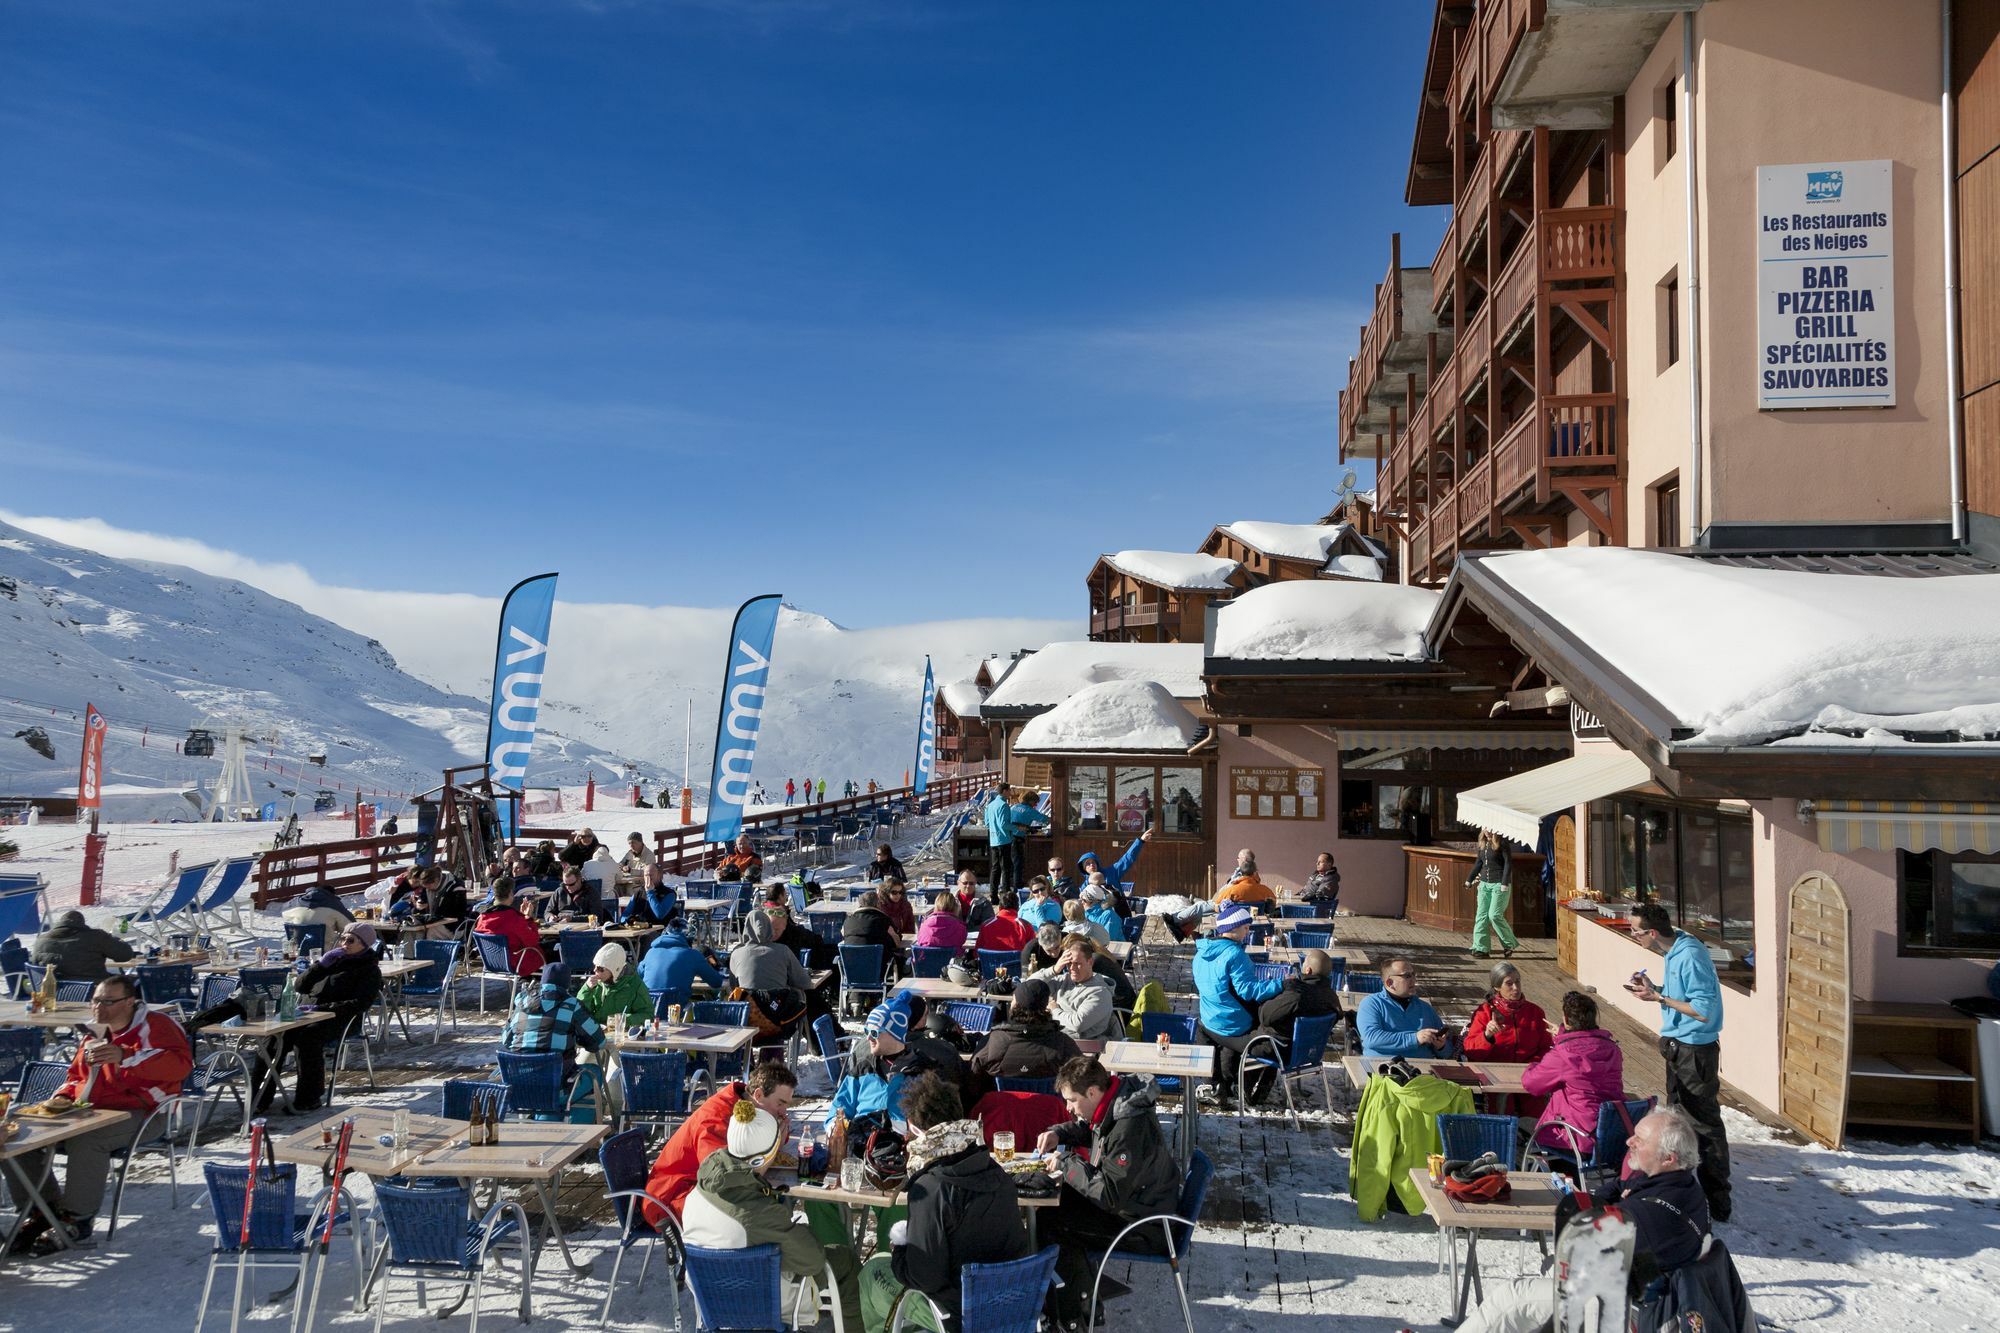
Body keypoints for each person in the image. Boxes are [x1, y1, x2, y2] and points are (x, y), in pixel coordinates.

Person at [1456, 1106, 1714, 1333]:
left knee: (1512, 1298)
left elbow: (1576, 1250)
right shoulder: (1685, 1188)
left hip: (1627, 1311)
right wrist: (1616, 1201)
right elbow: (1616, 1187)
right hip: (1643, 1294)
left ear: (1668, 1158)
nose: (1629, 1142)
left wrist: (1612, 1206)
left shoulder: (1648, 1214)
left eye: (1641, 1140)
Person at [6, 974, 192, 1254]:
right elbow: (75, 1076)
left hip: (146, 1112)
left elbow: (180, 1066)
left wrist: (125, 1056)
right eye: (95, 1001)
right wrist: (62, 1097)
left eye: (108, 1001)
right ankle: (42, 1211)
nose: (99, 1008)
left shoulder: (157, 1025)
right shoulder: (95, 1031)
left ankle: (77, 1220)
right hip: (91, 1110)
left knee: (87, 1141)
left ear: (130, 1002)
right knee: (19, 1138)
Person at [859, 1073, 1027, 1333]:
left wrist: (900, 1251)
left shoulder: (930, 1188)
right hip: (1011, 1304)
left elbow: (925, 1277)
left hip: (961, 1314)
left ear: (914, 1127)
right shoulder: (996, 1171)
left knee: (872, 1272)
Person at [681, 1099, 864, 1333]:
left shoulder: (697, 1194)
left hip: (712, 1300)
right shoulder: (760, 1214)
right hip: (763, 1300)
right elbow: (812, 1260)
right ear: (763, 1158)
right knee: (844, 1260)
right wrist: (799, 1233)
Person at [1035, 1056, 1180, 1330]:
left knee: (1052, 1223)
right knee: (1053, 1207)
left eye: (1072, 1101)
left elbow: (1109, 1196)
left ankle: (1074, 1315)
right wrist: (1059, 1133)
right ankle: (1081, 1298)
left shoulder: (1129, 1126)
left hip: (1145, 1225)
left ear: (1092, 1092)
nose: (1068, 1108)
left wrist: (1067, 1163)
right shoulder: (1117, 1103)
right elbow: (1094, 1132)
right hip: (1139, 1205)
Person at [193, 921, 384, 1113]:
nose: (344, 944)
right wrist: (321, 964)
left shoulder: (369, 970)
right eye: (342, 938)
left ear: (364, 945)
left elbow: (360, 1004)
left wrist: (321, 1008)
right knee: (272, 1039)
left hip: (339, 1019)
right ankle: (260, 1097)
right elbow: (300, 986)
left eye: (351, 940)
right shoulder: (333, 961)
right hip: (305, 1014)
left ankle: (309, 1098)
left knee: (307, 1038)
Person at [1627, 902, 1731, 1220]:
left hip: (1694, 1052)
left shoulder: (1690, 954)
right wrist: (1654, 990)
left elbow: (1702, 1008)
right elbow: (1681, 996)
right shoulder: (1675, 950)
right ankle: (1679, 1191)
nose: (1633, 936)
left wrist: (1659, 998)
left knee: (1703, 1125)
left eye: (1636, 931)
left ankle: (1718, 1203)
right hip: (1677, 1047)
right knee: (1676, 1124)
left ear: (1653, 932)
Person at [642, 1061, 798, 1224]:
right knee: (760, 1216)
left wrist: (778, 1135)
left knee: (773, 1207)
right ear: (758, 1095)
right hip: (671, 1200)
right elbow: (722, 1180)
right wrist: (772, 1151)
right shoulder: (716, 1119)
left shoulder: (748, 1102)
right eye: (780, 1104)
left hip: (697, 1189)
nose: (783, 1111)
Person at [1192, 903, 1283, 1102]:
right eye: (1245, 927)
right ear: (1233, 929)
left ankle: (1220, 1083)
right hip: (1231, 1024)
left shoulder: (1200, 953)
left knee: (1230, 1032)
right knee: (1267, 1029)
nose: (1248, 931)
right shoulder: (1235, 955)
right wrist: (1280, 984)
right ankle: (1239, 1084)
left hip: (1209, 1019)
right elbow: (1248, 991)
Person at [1520, 990, 1626, 1159]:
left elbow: (1531, 1084)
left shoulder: (1563, 1054)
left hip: (1575, 1137)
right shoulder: (1613, 1048)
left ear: (1566, 1020)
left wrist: (1533, 1064)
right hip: (1611, 1134)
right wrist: (1563, 1037)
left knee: (1521, 1124)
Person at [827, 999, 966, 1126]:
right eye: (866, 1031)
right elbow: (838, 1109)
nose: (868, 1038)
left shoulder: (925, 1072)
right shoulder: (863, 1069)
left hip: (908, 1147)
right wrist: (836, 1127)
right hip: (861, 1144)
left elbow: (940, 1123)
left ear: (895, 1034)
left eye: (874, 1033)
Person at [500, 963, 606, 1081]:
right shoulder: (572, 1005)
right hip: (556, 1088)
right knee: (596, 1072)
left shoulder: (521, 1003)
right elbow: (599, 1042)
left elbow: (506, 1040)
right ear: (567, 983)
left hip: (520, 1085)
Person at [969, 976, 1080, 1082]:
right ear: (1046, 1007)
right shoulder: (1063, 1043)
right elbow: (1084, 1076)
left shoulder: (993, 1041)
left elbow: (972, 1078)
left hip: (1002, 1101)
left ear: (1015, 1005)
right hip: (1048, 1101)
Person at [730, 909, 813, 1041]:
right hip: (778, 1023)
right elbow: (805, 983)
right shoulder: (783, 950)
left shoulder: (736, 954)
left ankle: (747, 1059)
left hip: (746, 1023)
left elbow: (733, 987)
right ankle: (773, 1057)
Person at [1356, 953, 1450, 1058]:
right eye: (1407, 976)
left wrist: (1441, 1046)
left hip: (1423, 1069)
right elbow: (1371, 1039)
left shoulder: (1425, 1008)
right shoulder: (1372, 1004)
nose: (1414, 980)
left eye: (1414, 974)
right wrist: (1414, 1039)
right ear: (1389, 983)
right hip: (1384, 1068)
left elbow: (1447, 1052)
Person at [1254, 947, 1344, 1053]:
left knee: (1230, 1039)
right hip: (1308, 1051)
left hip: (1277, 1048)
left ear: (1308, 970)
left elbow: (1264, 1017)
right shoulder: (1332, 997)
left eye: (1305, 961)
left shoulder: (1297, 994)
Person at [1032, 938, 1120, 1042]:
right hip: (1055, 1039)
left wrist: (1054, 1010)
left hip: (1083, 1046)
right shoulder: (1063, 980)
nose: (1072, 968)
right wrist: (1054, 970)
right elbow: (1029, 986)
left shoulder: (1100, 992)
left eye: (1078, 963)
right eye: (1069, 964)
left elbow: (1077, 1024)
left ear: (1090, 962)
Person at [1463, 961, 1551, 1064]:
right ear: (1497, 987)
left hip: (1529, 1070)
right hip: (1494, 1069)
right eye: (1509, 983)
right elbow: (1471, 1052)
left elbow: (1546, 1048)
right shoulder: (1485, 1012)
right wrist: (1487, 1035)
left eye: (1517, 981)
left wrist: (1533, 1066)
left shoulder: (1535, 1012)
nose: (1516, 988)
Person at [30, 909, 135, 982]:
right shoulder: (95, 936)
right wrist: (114, 940)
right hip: (94, 990)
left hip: (53, 992)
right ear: (82, 924)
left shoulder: (40, 941)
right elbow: (125, 954)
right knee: (134, 981)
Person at [474, 879, 547, 977]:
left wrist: (523, 917)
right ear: (510, 894)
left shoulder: (482, 918)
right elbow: (533, 940)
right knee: (550, 950)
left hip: (491, 962)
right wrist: (529, 919)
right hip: (515, 963)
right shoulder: (513, 918)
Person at [638, 924, 729, 998]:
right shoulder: (693, 955)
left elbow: (639, 975)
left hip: (648, 1006)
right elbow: (716, 982)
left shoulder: (650, 952)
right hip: (676, 1008)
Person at [578, 942, 654, 1029]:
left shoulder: (635, 984)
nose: (595, 970)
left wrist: (624, 1020)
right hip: (596, 1033)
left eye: (600, 968)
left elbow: (648, 1015)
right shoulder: (593, 984)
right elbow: (578, 1012)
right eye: (595, 966)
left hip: (621, 1034)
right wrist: (586, 990)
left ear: (615, 970)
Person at [1468, 829, 1518, 958]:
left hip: (1499, 884)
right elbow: (1478, 863)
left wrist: (1504, 883)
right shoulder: (1482, 844)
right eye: (1485, 829)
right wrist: (1469, 880)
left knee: (1494, 915)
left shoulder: (1502, 843)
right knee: (1481, 916)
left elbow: (1508, 863)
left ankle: (1509, 944)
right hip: (1484, 884)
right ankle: (1481, 948)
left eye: (1491, 829)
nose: (1488, 832)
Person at [1073, 827, 1151, 903]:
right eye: (1088, 863)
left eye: (1093, 862)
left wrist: (1140, 841)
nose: (1092, 865)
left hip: (1119, 912)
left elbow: (1127, 859)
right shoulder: (1085, 886)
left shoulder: (1111, 872)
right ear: (1083, 869)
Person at [842, 889, 907, 980]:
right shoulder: (883, 920)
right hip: (879, 969)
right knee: (900, 957)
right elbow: (897, 943)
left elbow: (843, 935)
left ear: (860, 904)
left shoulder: (848, 921)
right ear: (878, 904)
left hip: (852, 969)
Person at [982, 784, 1025, 895]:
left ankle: (993, 893)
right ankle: (1006, 892)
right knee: (1006, 868)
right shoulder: (1004, 805)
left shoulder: (990, 805)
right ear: (1005, 791)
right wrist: (1017, 827)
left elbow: (987, 823)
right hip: (1004, 839)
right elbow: (1004, 824)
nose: (1010, 792)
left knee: (995, 868)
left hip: (993, 839)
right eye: (1009, 790)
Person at [620, 863, 681, 928]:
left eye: (651, 875)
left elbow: (659, 914)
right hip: (638, 930)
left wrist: (650, 892)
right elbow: (625, 914)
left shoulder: (669, 894)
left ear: (659, 876)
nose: (648, 878)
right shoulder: (638, 893)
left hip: (659, 932)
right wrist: (627, 921)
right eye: (646, 875)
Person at [281, 884, 356, 936]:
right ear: (331, 895)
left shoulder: (296, 902)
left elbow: (284, 913)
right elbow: (352, 926)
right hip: (325, 949)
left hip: (297, 947)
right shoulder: (334, 904)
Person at [976, 889, 1036, 953]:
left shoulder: (986, 925)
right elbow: (1033, 952)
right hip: (1017, 962)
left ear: (999, 907)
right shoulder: (1026, 926)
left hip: (990, 962)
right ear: (1017, 908)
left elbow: (977, 952)